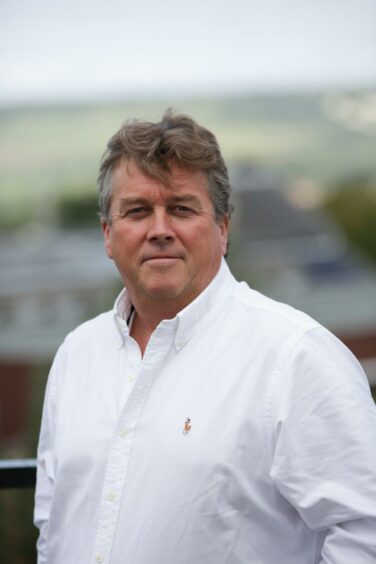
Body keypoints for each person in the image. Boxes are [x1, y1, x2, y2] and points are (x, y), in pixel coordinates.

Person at [34, 109, 376, 564]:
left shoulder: (295, 356)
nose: (159, 230)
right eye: (137, 211)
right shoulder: (77, 354)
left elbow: (364, 532)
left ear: (222, 229)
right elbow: (52, 524)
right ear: (108, 234)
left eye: (181, 208)